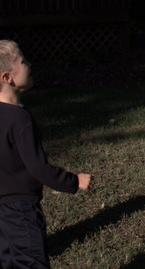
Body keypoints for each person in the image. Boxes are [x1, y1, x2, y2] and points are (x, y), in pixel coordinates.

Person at [0, 40, 94, 268]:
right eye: (23, 62)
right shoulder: (20, 119)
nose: (29, 65)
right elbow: (39, 168)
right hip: (21, 211)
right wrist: (74, 181)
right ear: (7, 78)